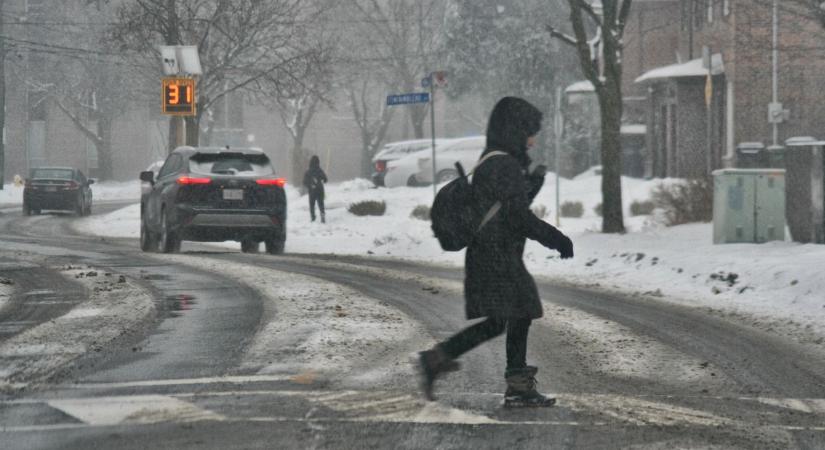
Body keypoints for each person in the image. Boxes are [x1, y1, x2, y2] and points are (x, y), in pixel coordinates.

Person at [417, 97, 574, 407]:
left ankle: (441, 360)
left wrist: (532, 184)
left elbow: (504, 204)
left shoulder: (495, 160)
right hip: (495, 256)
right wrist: (555, 238)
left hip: (491, 254)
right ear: (516, 129)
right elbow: (516, 215)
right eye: (530, 131)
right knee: (516, 312)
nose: (533, 139)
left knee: (505, 317)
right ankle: (511, 381)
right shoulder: (503, 164)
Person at [303, 155, 328, 223]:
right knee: (321, 203)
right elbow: (325, 179)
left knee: (312, 204)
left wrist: (310, 185)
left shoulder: (308, 171)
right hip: (320, 189)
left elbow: (304, 182)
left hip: (312, 190)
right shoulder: (320, 170)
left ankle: (313, 217)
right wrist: (323, 180)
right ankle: (322, 214)